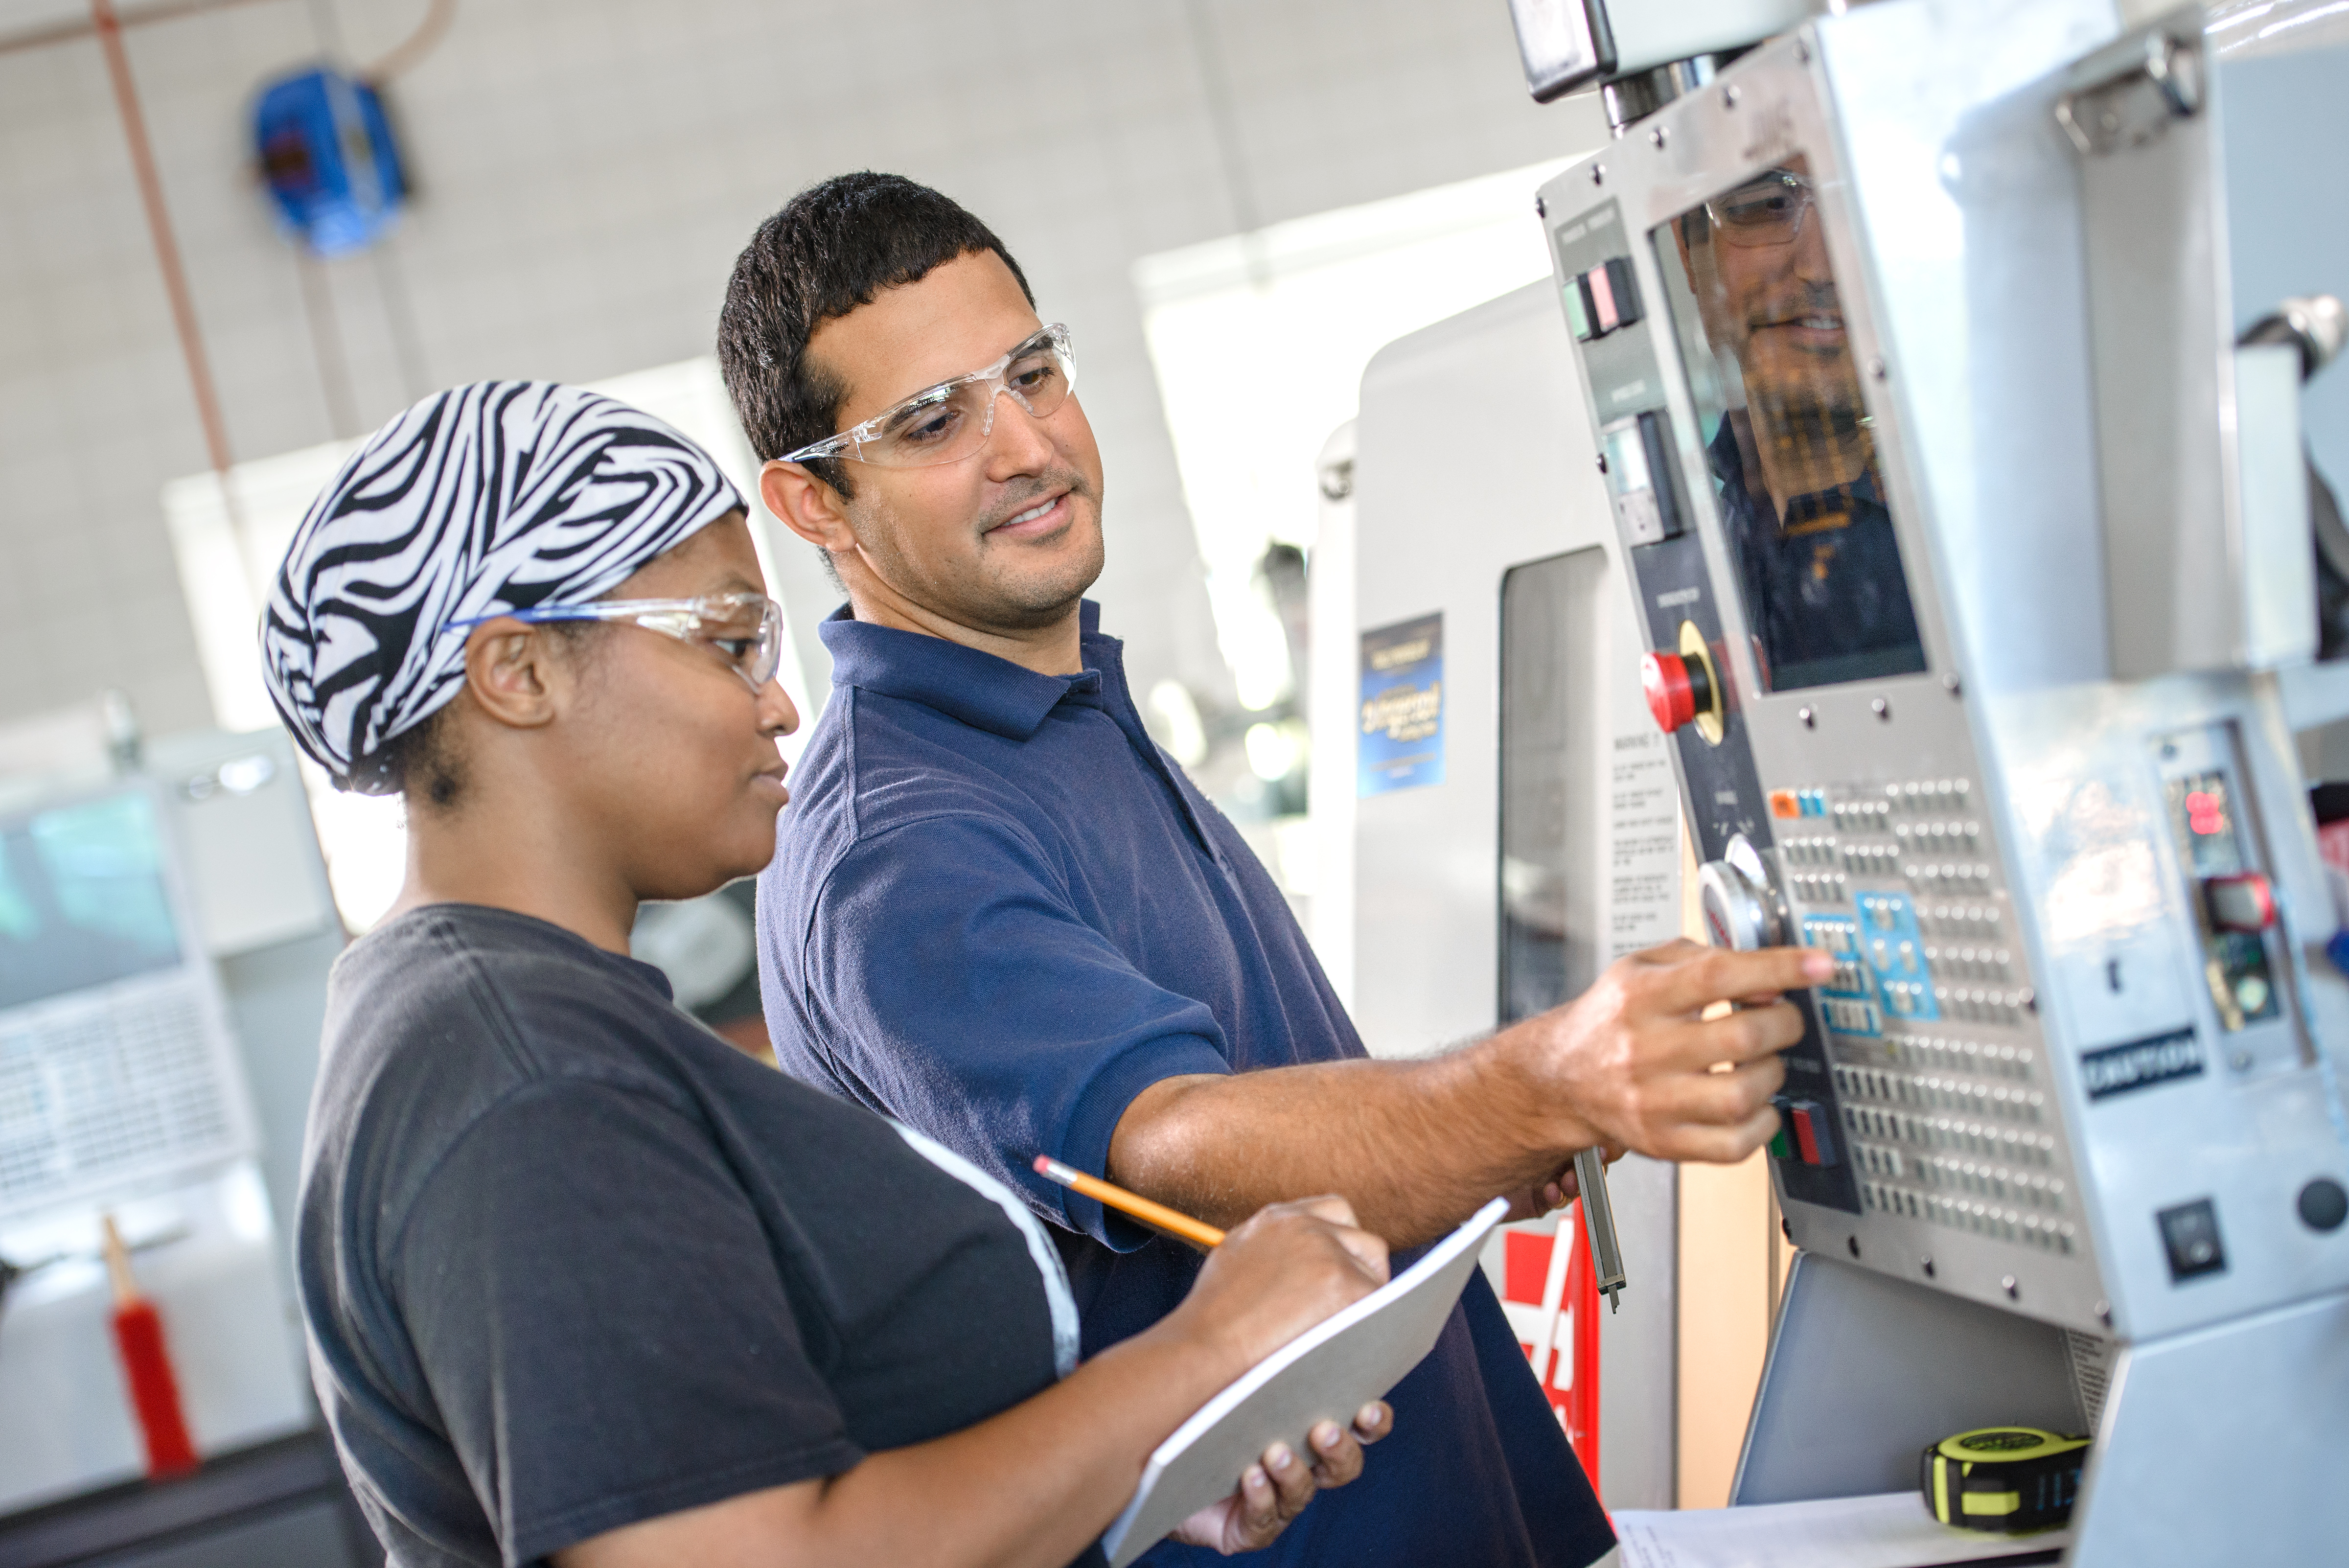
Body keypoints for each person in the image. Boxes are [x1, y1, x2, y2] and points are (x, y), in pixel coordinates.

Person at [721, 173, 1837, 1567]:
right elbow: (1175, 1142)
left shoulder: (1068, 710)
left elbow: (1270, 1101)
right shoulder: (900, 836)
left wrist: (1474, 1140)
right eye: (934, 423)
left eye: (1035, 372)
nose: (1025, 444)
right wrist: (1543, 1077)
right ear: (813, 500)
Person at [268, 381, 1397, 1568]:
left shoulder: (514, 1021)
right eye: (728, 641)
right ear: (519, 671)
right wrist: (1202, 1349)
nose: (779, 701)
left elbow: (793, 1459)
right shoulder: (521, 1078)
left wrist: (1136, 1465)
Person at [1668, 156, 1926, 690]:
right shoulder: (1695, 551)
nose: (1821, 266)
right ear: (1691, 254)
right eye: (1766, 202)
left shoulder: (1970, 530)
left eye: (1857, 201)